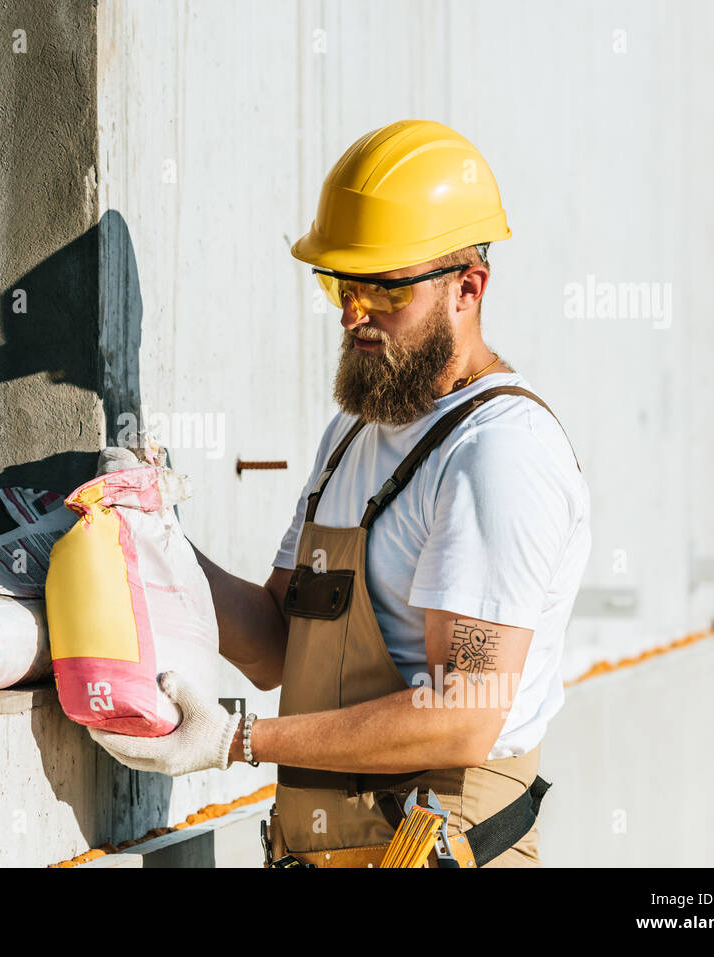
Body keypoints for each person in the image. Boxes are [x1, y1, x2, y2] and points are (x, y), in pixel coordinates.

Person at [88, 119, 591, 868]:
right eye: (341, 284)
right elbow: (274, 647)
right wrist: (152, 539)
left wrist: (237, 739)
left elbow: (463, 715)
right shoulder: (354, 435)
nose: (354, 314)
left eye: (382, 289)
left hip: (439, 848)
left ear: (468, 288)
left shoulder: (498, 455)